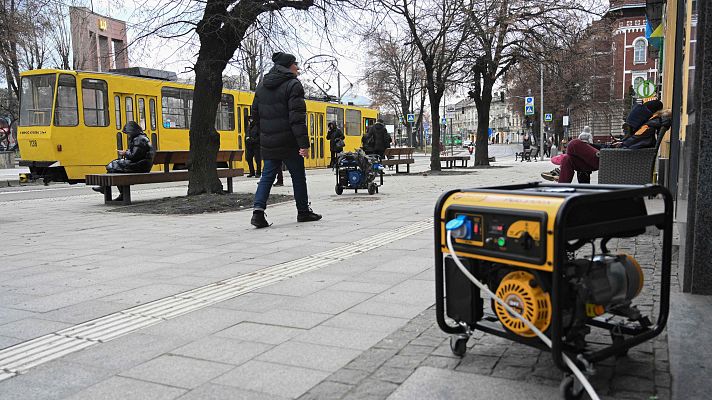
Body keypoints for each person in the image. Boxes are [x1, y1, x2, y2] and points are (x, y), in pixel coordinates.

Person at [250, 51, 321, 228]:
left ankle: (258, 212)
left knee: (267, 176)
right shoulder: (293, 85)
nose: (298, 67)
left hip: (269, 141)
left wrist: (262, 135)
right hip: (289, 141)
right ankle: (303, 212)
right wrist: (304, 144)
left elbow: (255, 115)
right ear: (288, 66)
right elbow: (297, 118)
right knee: (298, 176)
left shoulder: (261, 86)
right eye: (296, 64)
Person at [541, 101, 669, 184]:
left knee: (574, 144)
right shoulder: (647, 127)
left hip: (612, 159)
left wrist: (618, 144)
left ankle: (561, 168)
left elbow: (628, 145)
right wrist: (617, 143)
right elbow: (630, 143)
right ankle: (563, 191)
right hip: (614, 156)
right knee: (569, 159)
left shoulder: (647, 128)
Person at [92, 121, 155, 201]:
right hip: (143, 165)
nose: (128, 135)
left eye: (128, 133)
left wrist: (125, 153)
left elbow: (133, 156)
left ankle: (107, 189)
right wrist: (127, 152)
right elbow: (137, 154)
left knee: (113, 166)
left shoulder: (139, 139)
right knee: (115, 169)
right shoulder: (141, 138)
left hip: (141, 166)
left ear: (133, 131)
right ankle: (107, 189)